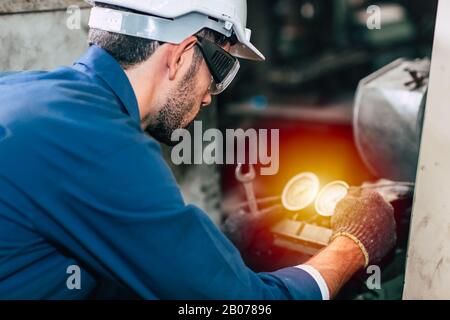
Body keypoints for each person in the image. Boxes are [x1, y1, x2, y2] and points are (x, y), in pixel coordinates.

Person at [0, 0, 396, 299]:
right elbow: (245, 306)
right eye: (220, 70)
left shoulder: (23, 90)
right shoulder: (100, 143)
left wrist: (208, 248)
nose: (210, 96)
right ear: (182, 55)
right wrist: (353, 244)